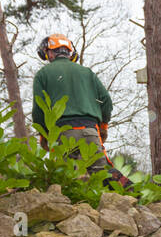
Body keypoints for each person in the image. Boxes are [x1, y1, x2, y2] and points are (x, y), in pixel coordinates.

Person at [31, 33, 130, 185]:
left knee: (64, 180)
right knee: (103, 173)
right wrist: (102, 127)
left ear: (49, 52)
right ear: (70, 53)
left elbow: (38, 110)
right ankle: (136, 197)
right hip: (89, 130)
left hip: (61, 133)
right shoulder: (87, 73)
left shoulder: (42, 75)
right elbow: (106, 101)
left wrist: (44, 135)